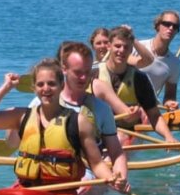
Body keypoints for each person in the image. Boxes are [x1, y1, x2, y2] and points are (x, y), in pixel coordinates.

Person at [0, 58, 128, 195]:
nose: (46, 88)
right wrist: (5, 88)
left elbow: (96, 163)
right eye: (40, 84)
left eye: (51, 84)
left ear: (62, 85)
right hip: (26, 190)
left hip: (63, 191)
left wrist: (112, 178)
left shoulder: (79, 122)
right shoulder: (22, 116)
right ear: (34, 88)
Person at [29, 42, 130, 191]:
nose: (83, 78)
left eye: (87, 72)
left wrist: (120, 177)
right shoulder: (39, 103)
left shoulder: (101, 109)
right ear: (64, 69)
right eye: (78, 72)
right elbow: (12, 141)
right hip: (43, 176)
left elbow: (116, 152)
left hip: (83, 177)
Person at [90, 26, 178, 144]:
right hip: (97, 131)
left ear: (131, 50)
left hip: (126, 132)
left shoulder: (139, 78)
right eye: (117, 46)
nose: (121, 50)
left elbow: (154, 115)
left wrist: (168, 137)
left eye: (126, 47)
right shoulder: (92, 73)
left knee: (120, 138)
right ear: (109, 46)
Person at [136, 10, 180, 111]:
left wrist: (171, 104)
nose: (171, 28)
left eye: (175, 26)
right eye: (167, 24)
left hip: (147, 110)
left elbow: (170, 96)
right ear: (157, 26)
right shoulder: (138, 47)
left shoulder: (175, 63)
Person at [90, 25, 154, 69]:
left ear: (110, 44)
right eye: (98, 43)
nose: (103, 46)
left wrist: (131, 37)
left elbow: (148, 60)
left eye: (105, 42)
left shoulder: (121, 59)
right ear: (93, 46)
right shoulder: (91, 65)